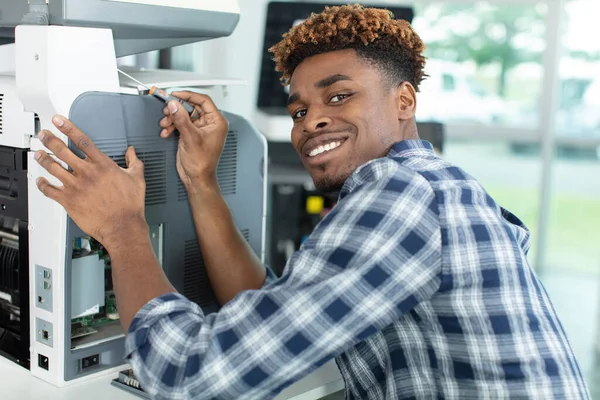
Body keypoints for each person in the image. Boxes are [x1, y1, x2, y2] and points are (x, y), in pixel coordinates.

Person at [33, 4, 589, 400]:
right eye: (299, 110)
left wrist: (122, 228)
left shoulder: (402, 195)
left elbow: (190, 379)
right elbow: (270, 304)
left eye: (339, 96)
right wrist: (201, 181)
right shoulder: (434, 184)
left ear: (404, 99)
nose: (313, 119)